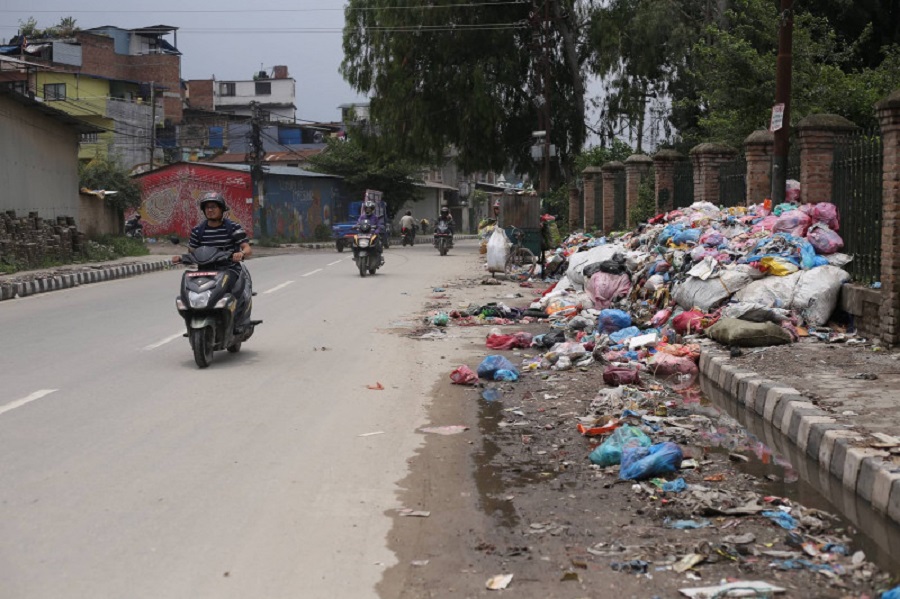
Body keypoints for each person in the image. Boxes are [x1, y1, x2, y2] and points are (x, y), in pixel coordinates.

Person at [173, 192, 253, 327]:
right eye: (207, 207)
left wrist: (241, 253)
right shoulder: (198, 230)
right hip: (204, 271)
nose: (210, 210)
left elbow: (247, 249)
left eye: (213, 207)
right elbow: (193, 251)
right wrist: (181, 258)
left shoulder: (233, 227)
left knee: (232, 292)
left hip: (228, 269)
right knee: (189, 292)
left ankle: (237, 320)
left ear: (221, 209)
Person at [356, 199, 385, 264]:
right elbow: (358, 223)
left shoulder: (375, 217)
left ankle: (380, 257)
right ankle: (356, 255)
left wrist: (377, 230)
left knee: (379, 243)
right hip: (363, 234)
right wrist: (356, 226)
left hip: (372, 234)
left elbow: (378, 225)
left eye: (370, 208)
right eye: (367, 208)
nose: (368, 210)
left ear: (372, 209)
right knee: (355, 241)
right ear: (365, 209)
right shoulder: (362, 216)